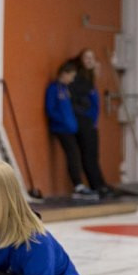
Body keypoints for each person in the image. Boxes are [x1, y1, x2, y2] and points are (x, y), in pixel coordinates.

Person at [46, 60, 103, 200]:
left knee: (76, 155)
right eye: (70, 76)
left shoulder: (66, 89)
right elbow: (51, 109)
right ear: (64, 74)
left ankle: (79, 184)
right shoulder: (53, 88)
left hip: (71, 128)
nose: (72, 80)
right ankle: (78, 185)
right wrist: (63, 121)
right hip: (61, 128)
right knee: (73, 154)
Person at [69, 48, 114, 197]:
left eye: (92, 58)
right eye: (86, 57)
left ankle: (100, 183)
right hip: (83, 122)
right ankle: (96, 185)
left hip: (91, 122)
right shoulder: (79, 79)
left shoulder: (89, 79)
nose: (90, 61)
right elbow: (79, 100)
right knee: (88, 155)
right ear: (81, 59)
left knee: (94, 155)